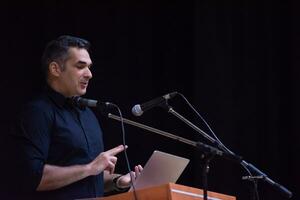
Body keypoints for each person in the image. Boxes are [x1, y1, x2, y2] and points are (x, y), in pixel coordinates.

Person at [10, 35, 142, 199]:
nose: (89, 74)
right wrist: (90, 168)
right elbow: (32, 176)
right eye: (80, 66)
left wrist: (119, 181)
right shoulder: (37, 112)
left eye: (89, 67)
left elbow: (88, 177)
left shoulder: (88, 115)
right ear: (55, 69)